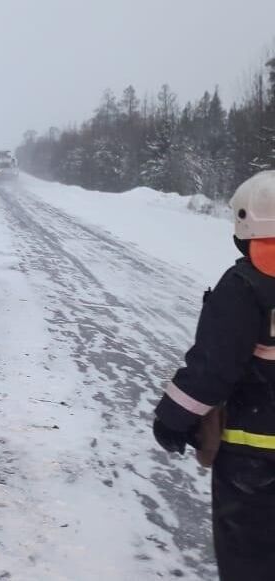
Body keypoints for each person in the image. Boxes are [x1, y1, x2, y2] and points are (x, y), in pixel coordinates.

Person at [152, 170, 275, 580]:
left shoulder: (245, 287)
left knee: (250, 562)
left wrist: (172, 420)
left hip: (255, 463)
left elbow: (212, 368)